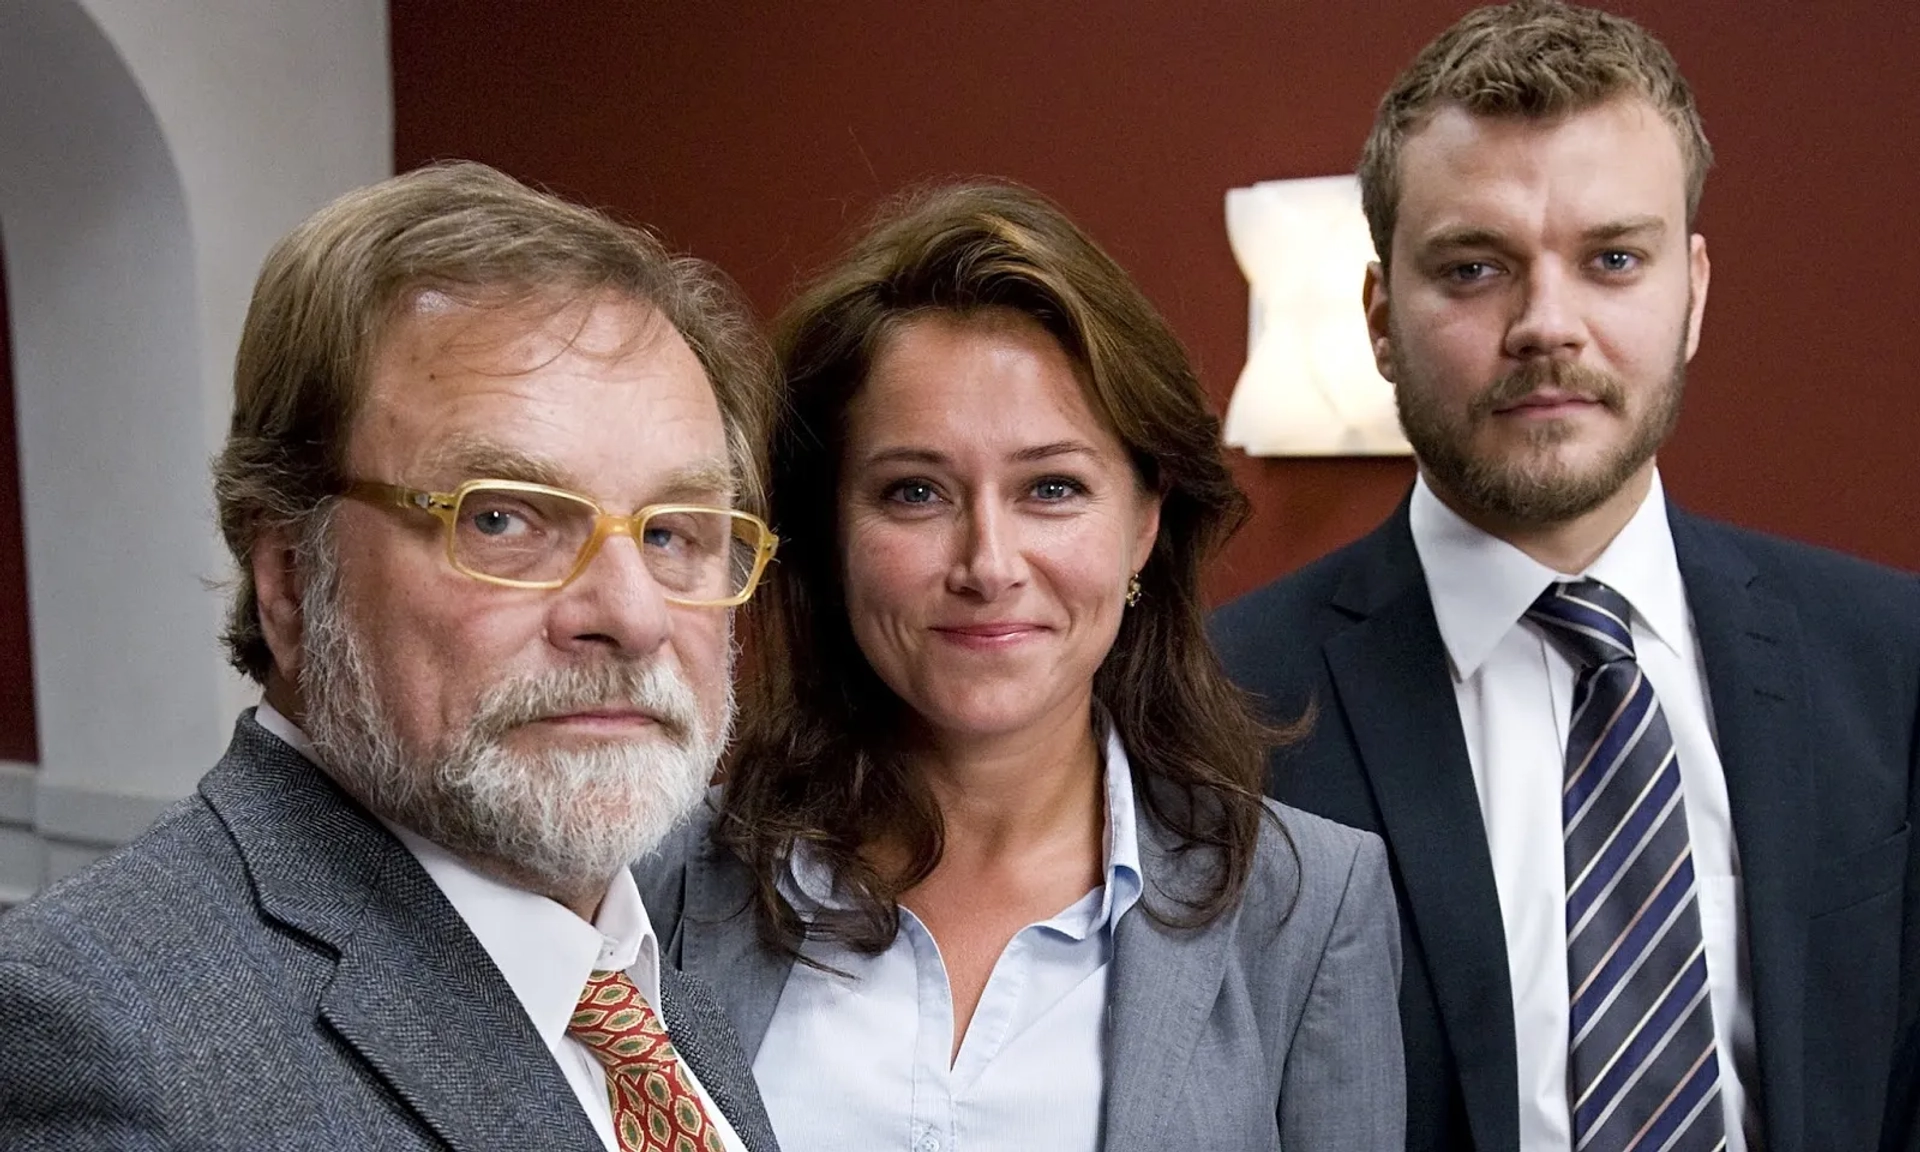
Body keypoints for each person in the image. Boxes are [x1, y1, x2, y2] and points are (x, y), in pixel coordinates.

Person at [1211, 3, 1920, 1151]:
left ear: (1691, 292)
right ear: (1382, 320)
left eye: (1614, 260)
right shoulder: (1217, 702)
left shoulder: (1892, 663)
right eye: (1476, 266)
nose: (1548, 324)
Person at [0, 162, 784, 1152]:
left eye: (675, 532)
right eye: (502, 518)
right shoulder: (99, 1038)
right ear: (290, 576)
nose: (632, 614)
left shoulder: (640, 975)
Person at [639, 180, 1404, 1151]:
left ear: (1144, 521)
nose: (988, 565)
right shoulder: (665, 878)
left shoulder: (1310, 905)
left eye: (1052, 487)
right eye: (915, 491)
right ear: (829, 530)